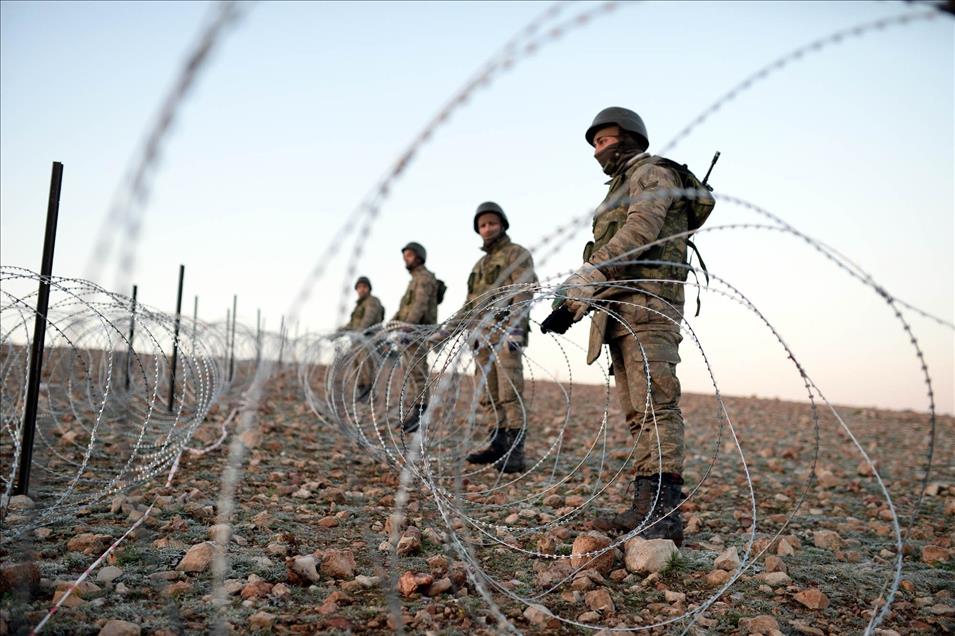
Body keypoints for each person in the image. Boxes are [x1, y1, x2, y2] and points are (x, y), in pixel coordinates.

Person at [543, 106, 714, 546]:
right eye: (595, 144)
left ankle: (663, 513)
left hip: (649, 306)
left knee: (657, 407)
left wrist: (589, 274)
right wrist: (576, 305)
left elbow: (642, 230)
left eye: (605, 140)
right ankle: (645, 505)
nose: (599, 151)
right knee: (639, 414)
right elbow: (617, 255)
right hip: (620, 310)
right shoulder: (618, 189)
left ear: (630, 137)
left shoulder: (652, 173)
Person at [458, 201, 537, 473]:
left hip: (505, 334)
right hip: (481, 338)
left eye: (492, 223)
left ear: (502, 224)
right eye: (482, 225)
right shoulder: (480, 265)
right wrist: (449, 330)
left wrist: (515, 329)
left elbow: (523, 291)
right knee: (488, 394)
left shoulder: (516, 253)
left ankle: (515, 452)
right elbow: (470, 304)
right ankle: (497, 444)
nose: (488, 228)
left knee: (509, 392)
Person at [391, 241, 440, 433]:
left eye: (410, 256)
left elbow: (419, 305)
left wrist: (407, 327)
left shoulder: (425, 278)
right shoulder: (414, 280)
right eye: (405, 256)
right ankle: (414, 414)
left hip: (416, 333)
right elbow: (405, 308)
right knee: (410, 374)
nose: (406, 260)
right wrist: (391, 325)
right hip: (408, 333)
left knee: (418, 374)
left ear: (419, 257)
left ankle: (420, 415)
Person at [341, 276, 384, 401]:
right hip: (357, 341)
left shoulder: (372, 301)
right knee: (357, 367)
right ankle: (362, 393)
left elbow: (368, 319)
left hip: (368, 339)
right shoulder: (358, 306)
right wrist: (339, 332)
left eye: (364, 287)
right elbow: (351, 324)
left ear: (369, 288)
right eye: (359, 287)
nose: (361, 289)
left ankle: (369, 394)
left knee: (366, 367)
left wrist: (359, 332)